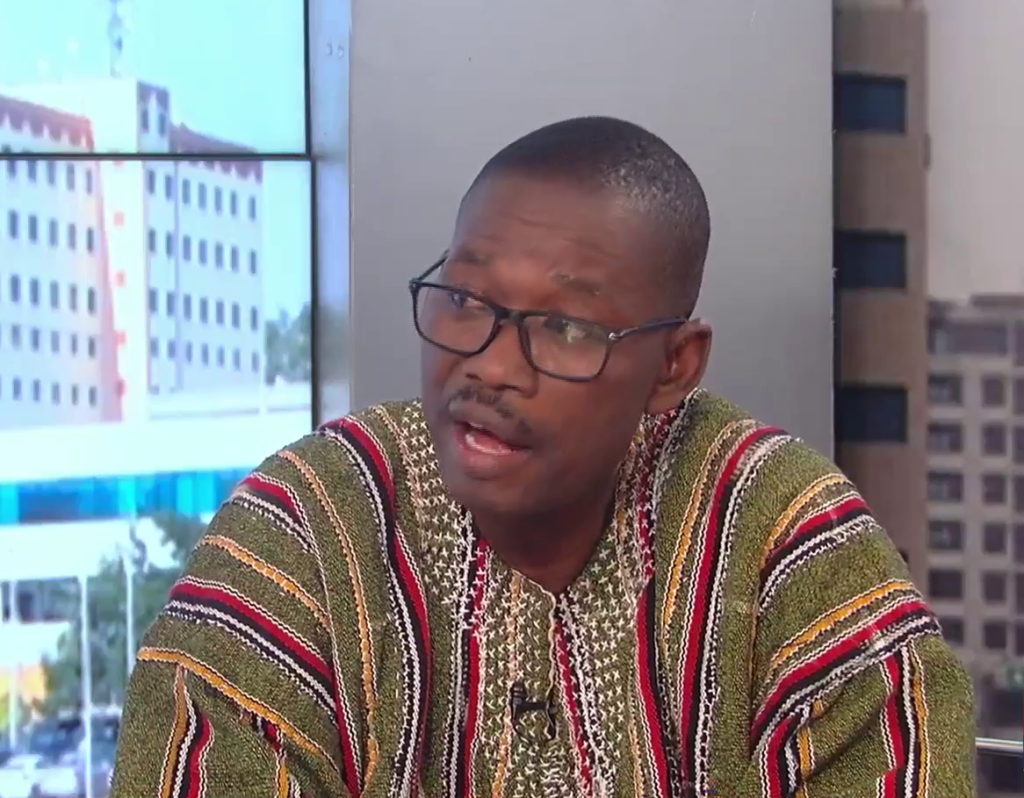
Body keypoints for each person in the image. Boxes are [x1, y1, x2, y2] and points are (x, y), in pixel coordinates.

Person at [110, 116, 975, 798]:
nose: (489, 366)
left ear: (673, 365)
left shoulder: (786, 534)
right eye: (463, 298)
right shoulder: (308, 525)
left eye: (564, 326)